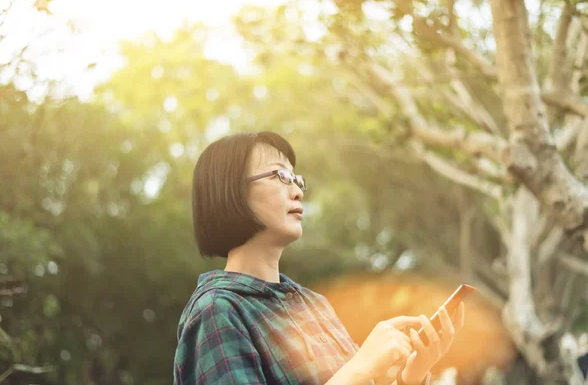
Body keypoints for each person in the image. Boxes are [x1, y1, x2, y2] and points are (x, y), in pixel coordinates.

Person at [173, 131, 465, 385]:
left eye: (297, 179)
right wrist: (360, 368)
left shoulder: (314, 306)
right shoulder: (217, 311)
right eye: (281, 176)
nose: (298, 191)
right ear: (231, 190)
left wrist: (410, 376)